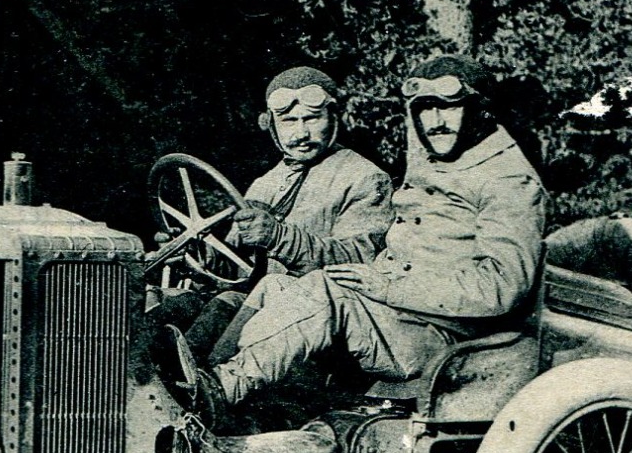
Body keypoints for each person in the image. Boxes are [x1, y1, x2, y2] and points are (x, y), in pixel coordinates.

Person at [159, 54, 547, 427]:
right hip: (398, 315)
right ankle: (206, 386)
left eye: (449, 108)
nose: (435, 122)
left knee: (327, 290)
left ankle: (224, 389)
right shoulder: (436, 161)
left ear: (479, 111)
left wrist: (389, 285)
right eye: (424, 109)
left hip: (442, 333)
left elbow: (503, 286)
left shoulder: (508, 181)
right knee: (274, 285)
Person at [181, 66, 394, 361]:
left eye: (312, 118)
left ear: (334, 118)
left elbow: (357, 262)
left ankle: (211, 385)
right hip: (257, 303)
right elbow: (238, 264)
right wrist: (200, 252)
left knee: (241, 302)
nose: (301, 133)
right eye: (289, 121)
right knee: (184, 307)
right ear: (271, 125)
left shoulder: (364, 178)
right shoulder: (265, 183)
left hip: (315, 322)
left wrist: (280, 237)